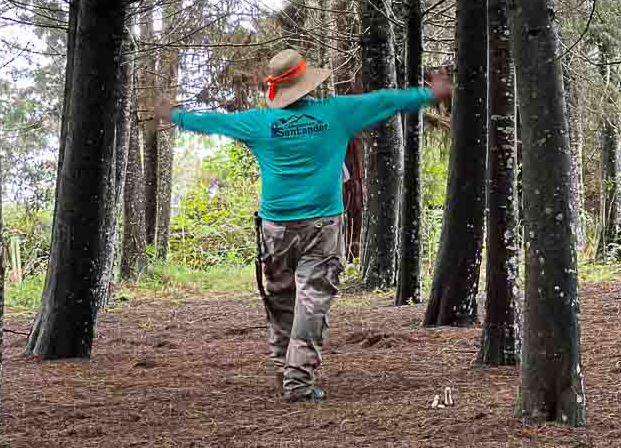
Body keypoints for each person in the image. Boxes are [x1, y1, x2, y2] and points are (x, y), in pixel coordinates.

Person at [155, 48, 451, 403]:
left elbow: (213, 122)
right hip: (322, 227)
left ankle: (283, 372)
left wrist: (174, 115)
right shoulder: (335, 114)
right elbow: (384, 101)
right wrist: (428, 93)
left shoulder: (260, 123)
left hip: (275, 229)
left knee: (282, 301)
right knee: (313, 302)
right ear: (307, 85)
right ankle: (298, 380)